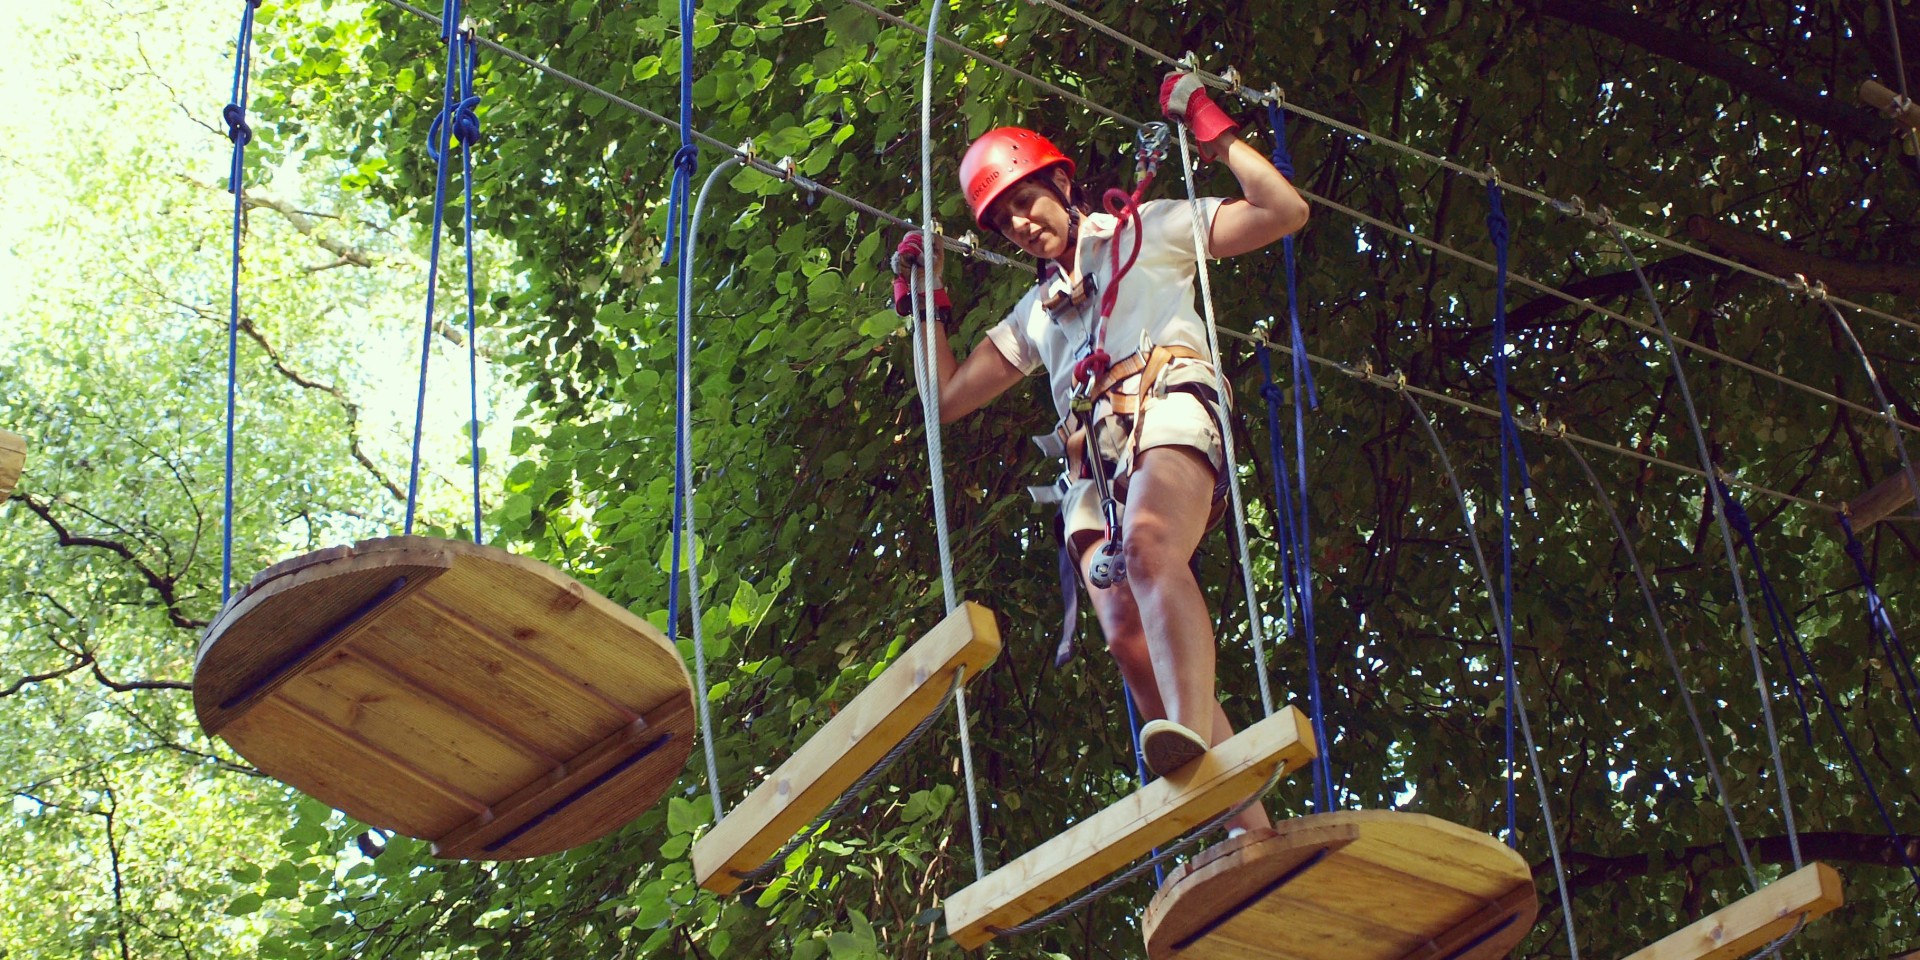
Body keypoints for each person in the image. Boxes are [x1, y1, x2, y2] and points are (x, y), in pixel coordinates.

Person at [893, 73, 1308, 835]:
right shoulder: (1035, 314)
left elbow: (1284, 211)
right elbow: (944, 400)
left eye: (1025, 200)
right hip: (1097, 468)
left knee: (1152, 548)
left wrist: (1212, 130)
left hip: (1169, 405)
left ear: (1059, 181)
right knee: (1124, 637)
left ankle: (1186, 735)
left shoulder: (1144, 230)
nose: (1019, 224)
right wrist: (927, 303)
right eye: (1003, 219)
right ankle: (1249, 830)